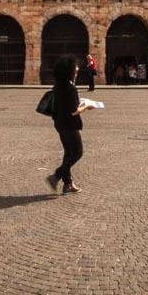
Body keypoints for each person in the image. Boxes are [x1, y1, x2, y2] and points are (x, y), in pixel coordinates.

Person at [45, 54, 94, 194]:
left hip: (59, 123)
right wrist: (86, 106)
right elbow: (73, 111)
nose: (77, 70)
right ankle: (56, 176)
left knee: (68, 152)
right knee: (78, 152)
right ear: (70, 71)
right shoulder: (71, 88)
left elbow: (65, 105)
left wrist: (79, 103)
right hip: (70, 124)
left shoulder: (58, 86)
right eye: (76, 69)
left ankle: (68, 184)